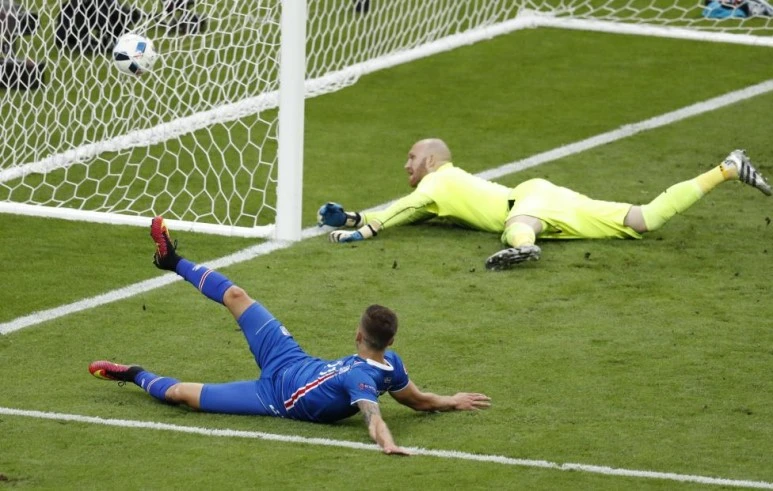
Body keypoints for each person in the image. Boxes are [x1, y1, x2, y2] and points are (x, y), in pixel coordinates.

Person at [89, 217, 491, 455]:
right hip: (291, 359)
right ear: (390, 341)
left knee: (181, 395)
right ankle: (171, 259)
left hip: (274, 398)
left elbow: (376, 416)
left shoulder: (363, 380)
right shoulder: (392, 365)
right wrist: (451, 401)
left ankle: (134, 374)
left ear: (358, 335)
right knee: (236, 296)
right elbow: (418, 401)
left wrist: (387, 443)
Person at [317, 139, 771, 270]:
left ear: (432, 160)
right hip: (550, 201)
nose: (406, 165)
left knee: (515, 225)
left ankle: (522, 247)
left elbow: (397, 211)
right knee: (645, 218)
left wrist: (363, 231)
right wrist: (354, 216)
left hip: (528, 202)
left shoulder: (439, 180)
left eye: (412, 158)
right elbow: (406, 212)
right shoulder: (437, 192)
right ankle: (727, 169)